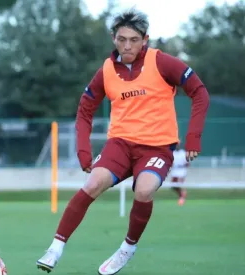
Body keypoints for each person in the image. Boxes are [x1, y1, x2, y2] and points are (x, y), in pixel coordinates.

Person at [36, 9, 209, 275]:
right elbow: (84, 110)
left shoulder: (161, 62)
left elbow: (199, 92)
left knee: (144, 190)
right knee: (92, 183)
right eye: (121, 39)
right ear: (113, 38)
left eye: (133, 39)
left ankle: (127, 248)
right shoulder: (106, 71)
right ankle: (55, 247)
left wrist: (193, 136)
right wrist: (84, 153)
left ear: (145, 39)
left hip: (157, 146)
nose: (127, 45)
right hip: (120, 144)